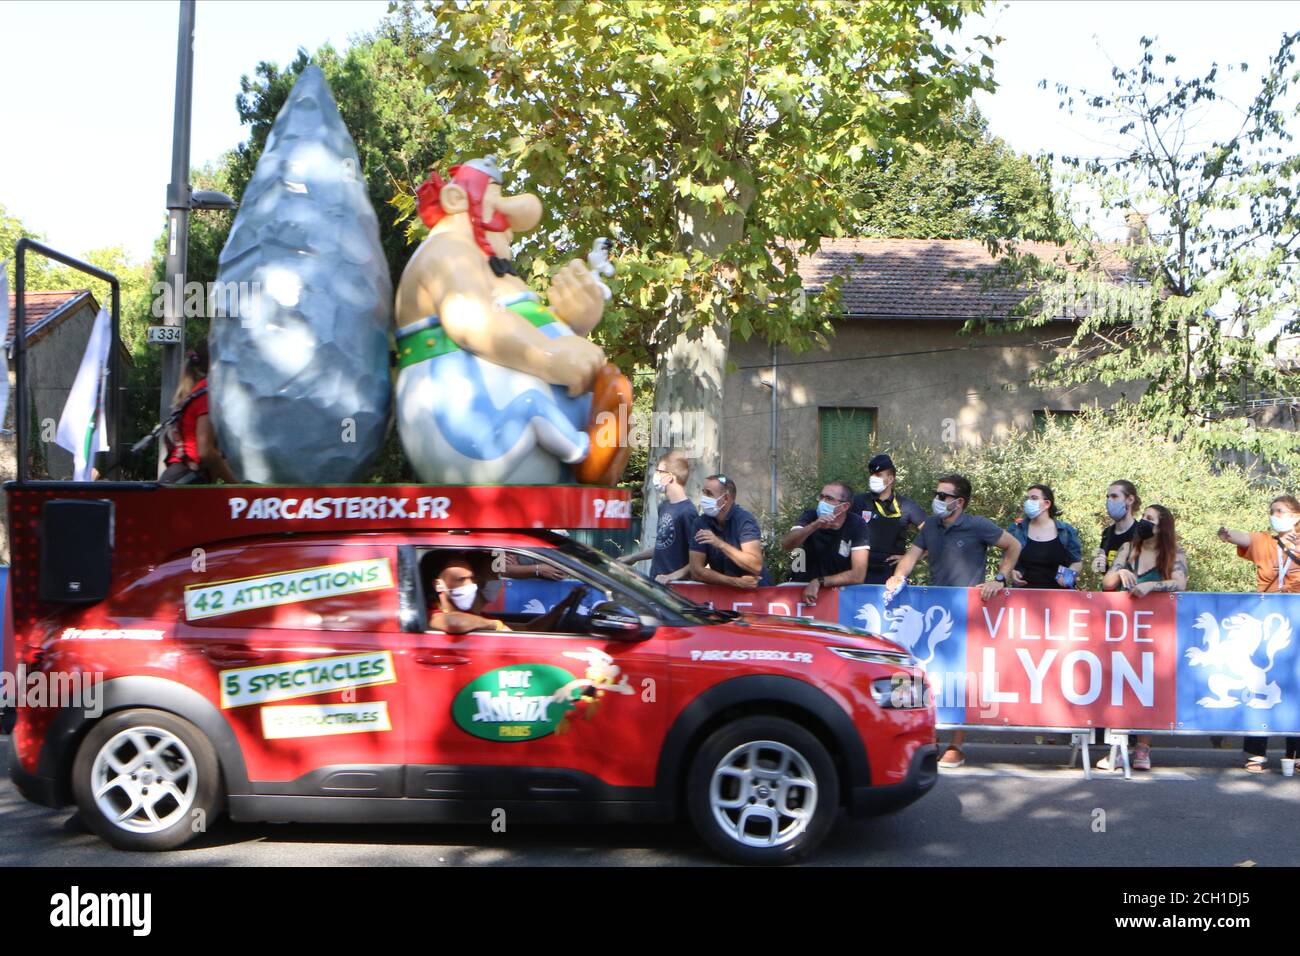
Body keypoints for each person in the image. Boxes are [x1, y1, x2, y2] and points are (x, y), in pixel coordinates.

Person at [885, 474, 1023, 769]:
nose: (937, 499)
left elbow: (1013, 546)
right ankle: (927, 739)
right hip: (934, 609)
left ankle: (956, 745)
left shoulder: (978, 525)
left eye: (943, 495)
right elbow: (910, 557)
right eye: (937, 493)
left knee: (961, 677)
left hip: (968, 613)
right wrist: (898, 575)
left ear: (959, 502)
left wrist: (999, 579)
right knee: (924, 673)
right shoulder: (931, 526)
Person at [1101, 504, 1188, 771]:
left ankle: (1143, 747)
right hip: (1123, 627)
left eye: (1150, 519)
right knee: (1119, 685)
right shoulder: (1128, 548)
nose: (1144, 522)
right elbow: (1107, 582)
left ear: (1162, 527)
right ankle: (1117, 747)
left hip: (1154, 629)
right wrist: (1121, 572)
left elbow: (1180, 583)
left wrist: (1152, 586)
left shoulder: (1173, 554)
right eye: (1144, 517)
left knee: (1146, 686)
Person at [1217, 494, 1300, 773]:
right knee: (1258, 680)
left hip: (1297, 618)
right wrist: (1227, 534)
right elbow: (1243, 538)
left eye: (1282, 511)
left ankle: (1296, 753)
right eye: (1273, 511)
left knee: (1296, 684)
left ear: (1296, 515)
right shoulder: (1265, 541)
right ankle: (1256, 752)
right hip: (1266, 619)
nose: (1276, 515)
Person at [780, 480, 870, 606]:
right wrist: (814, 526)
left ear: (844, 506)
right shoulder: (810, 516)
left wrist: (819, 582)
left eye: (828, 498)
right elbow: (787, 544)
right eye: (821, 497)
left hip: (837, 598)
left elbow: (858, 575)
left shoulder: (856, 525)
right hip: (801, 593)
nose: (822, 502)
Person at [159, 342, 238, 485]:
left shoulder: (195, 392)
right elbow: (205, 452)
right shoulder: (206, 395)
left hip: (179, 476)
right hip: (188, 480)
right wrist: (237, 486)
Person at [619, 449, 698, 583]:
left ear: (669, 477)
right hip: (656, 583)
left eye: (659, 471)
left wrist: (671, 577)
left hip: (677, 589)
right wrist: (633, 557)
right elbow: (663, 547)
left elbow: (698, 559)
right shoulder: (664, 506)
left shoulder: (688, 512)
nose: (655, 475)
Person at [850, 454, 926, 585]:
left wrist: (910, 558)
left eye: (878, 475)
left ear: (890, 479)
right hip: (858, 574)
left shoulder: (907, 506)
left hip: (891, 576)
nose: (873, 478)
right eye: (872, 475)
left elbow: (933, 535)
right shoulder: (857, 501)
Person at [688, 474, 772, 588]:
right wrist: (735, 582)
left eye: (709, 494)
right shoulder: (700, 523)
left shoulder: (744, 521)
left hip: (755, 594)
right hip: (725, 594)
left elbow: (755, 566)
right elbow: (696, 572)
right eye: (703, 492)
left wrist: (720, 544)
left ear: (725, 499)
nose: (704, 497)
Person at [1006, 484, 1083, 589]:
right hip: (1024, 596)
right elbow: (1006, 561)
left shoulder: (1066, 531)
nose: (1028, 502)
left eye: (1034, 498)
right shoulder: (1016, 530)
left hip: (1059, 597)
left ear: (1047, 504)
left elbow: (1077, 562)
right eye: (1027, 499)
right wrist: (1011, 572)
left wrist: (1068, 575)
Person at [1093, 480, 1140, 575]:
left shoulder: (1140, 533)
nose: (1109, 501)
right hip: (1110, 589)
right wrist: (1100, 565)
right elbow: (1104, 571)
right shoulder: (1107, 533)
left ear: (1130, 500)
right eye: (1108, 497)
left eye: (1114, 496)